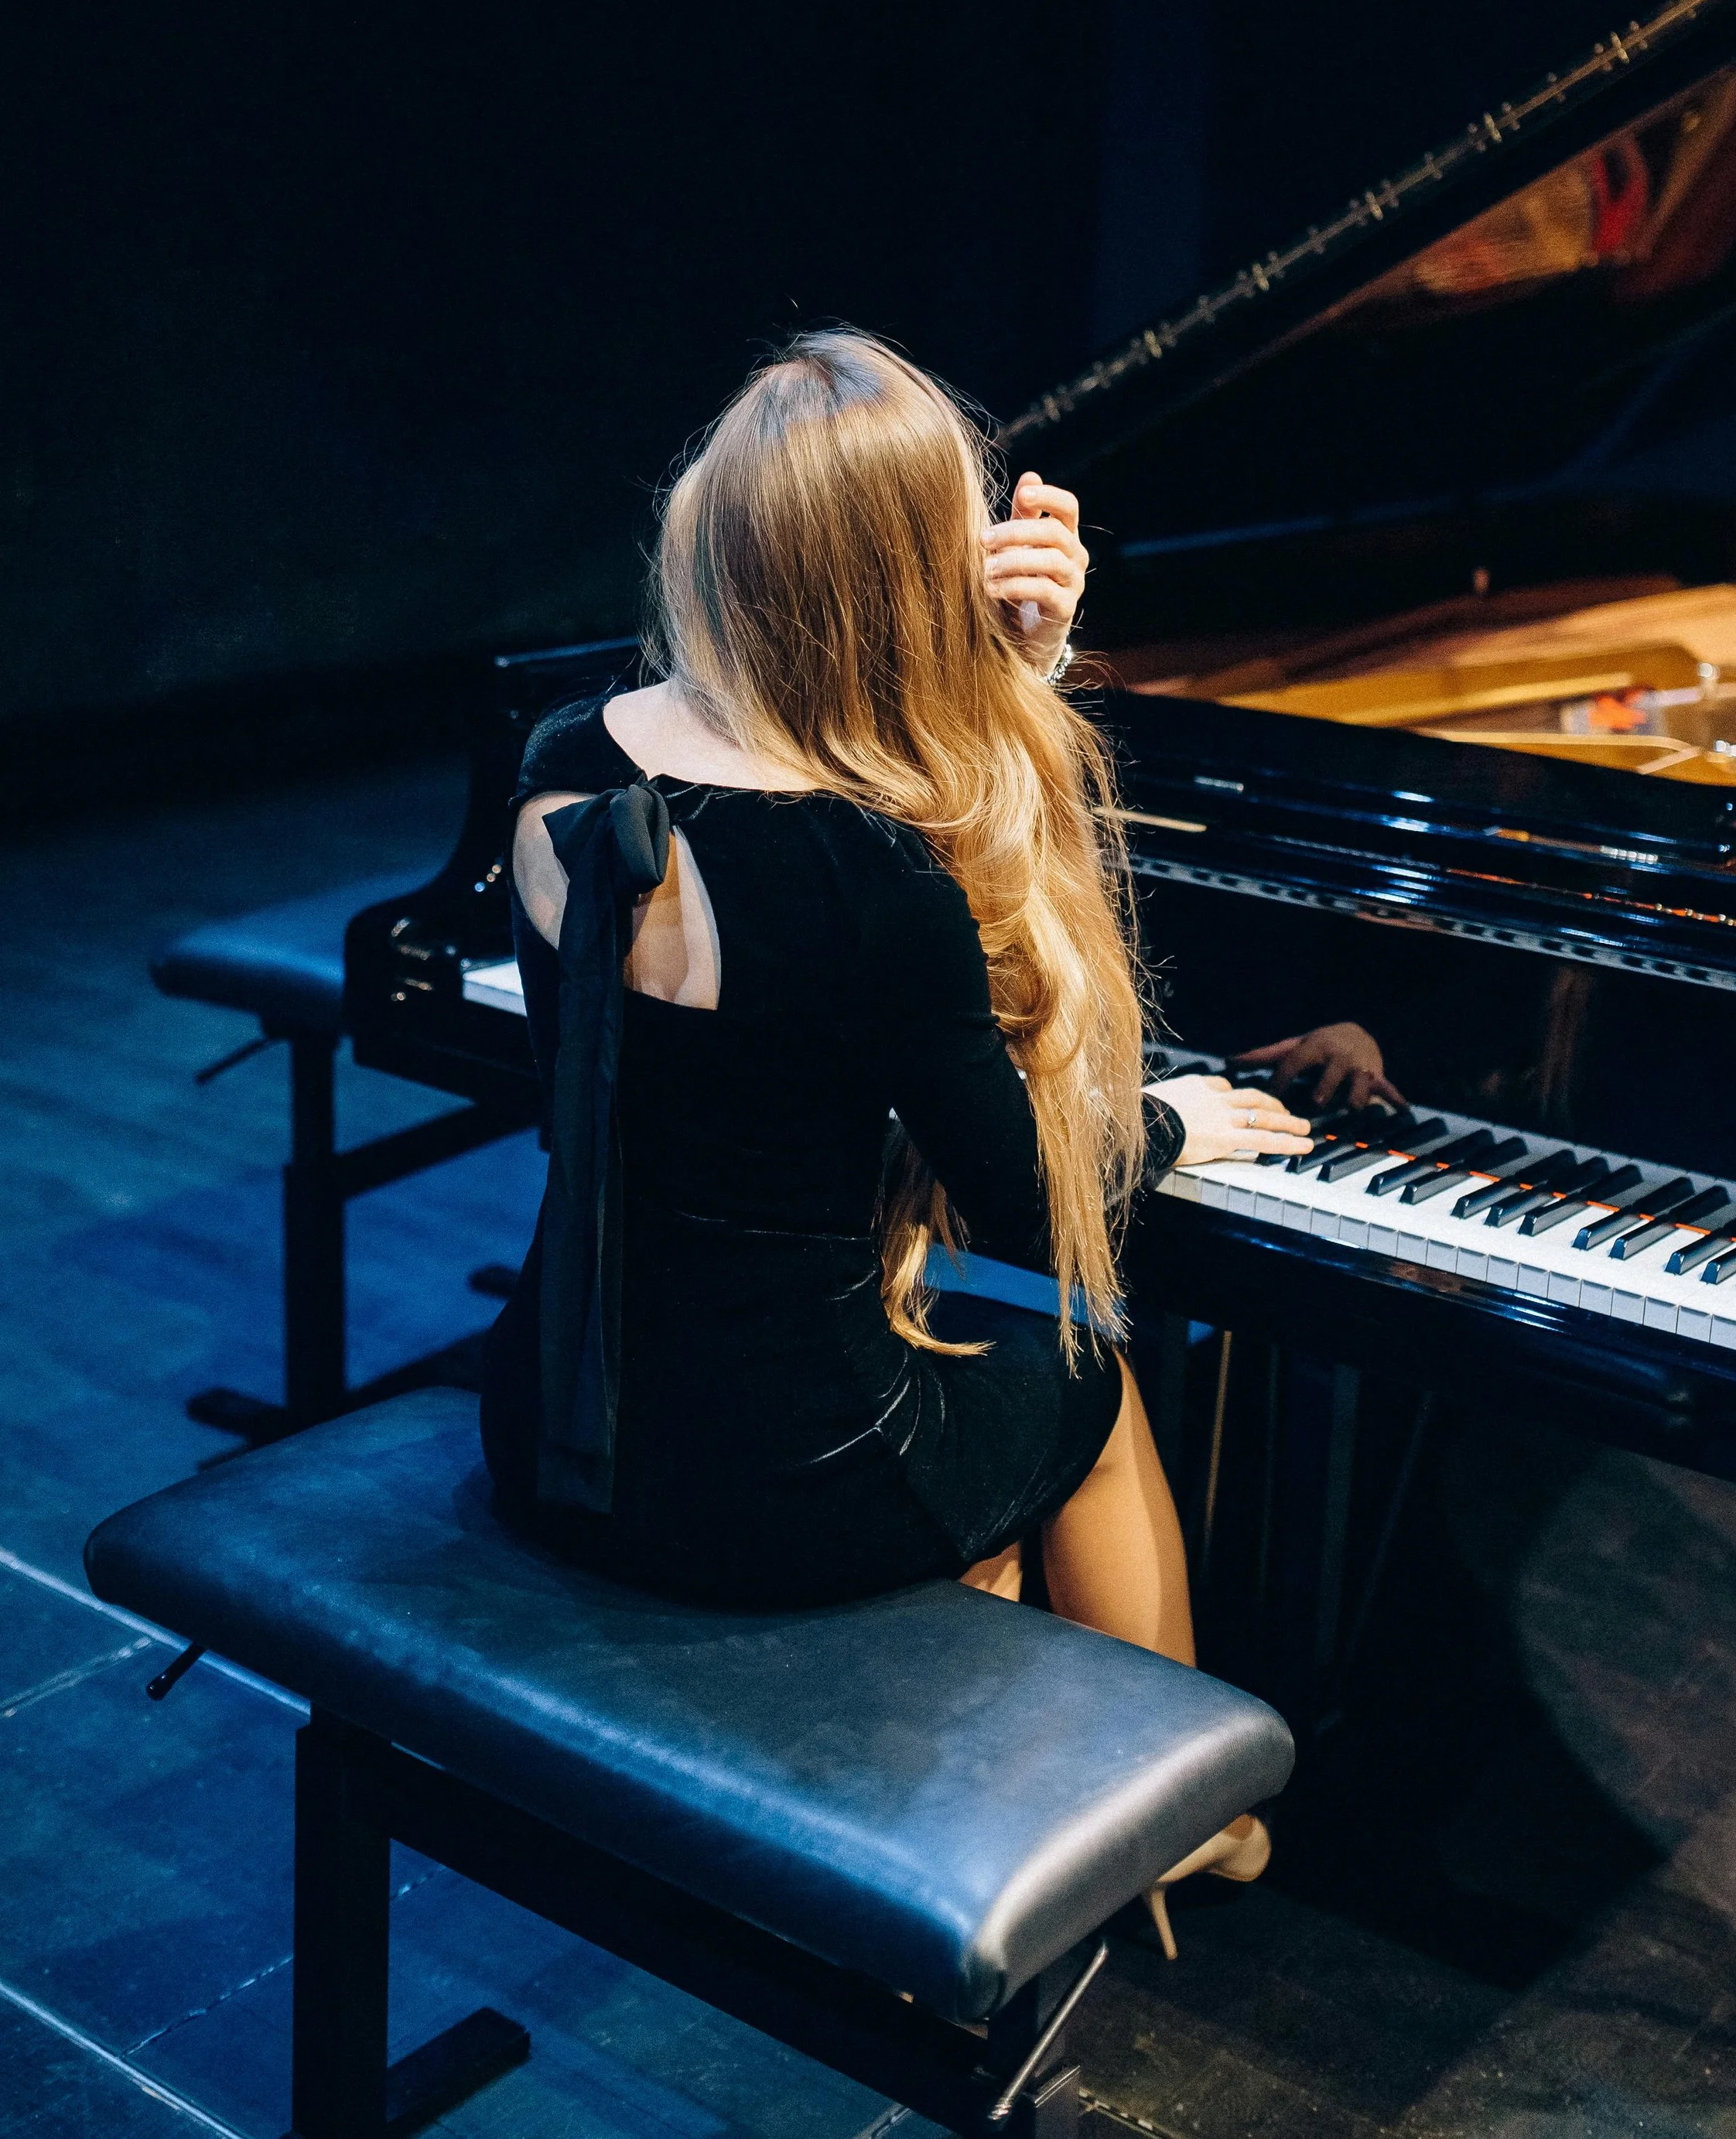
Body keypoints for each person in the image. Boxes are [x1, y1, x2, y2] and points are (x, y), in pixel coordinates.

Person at [479, 328, 1396, 1953]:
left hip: (558, 1428)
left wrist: (972, 677)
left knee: (941, 1372)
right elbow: (1042, 1212)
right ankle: (1190, 1821)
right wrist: (1171, 1120)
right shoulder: (868, 883)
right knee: (1081, 1381)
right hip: (770, 1494)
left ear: (714, 536)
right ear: (915, 584)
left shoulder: (563, 763)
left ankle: (982, 1771)